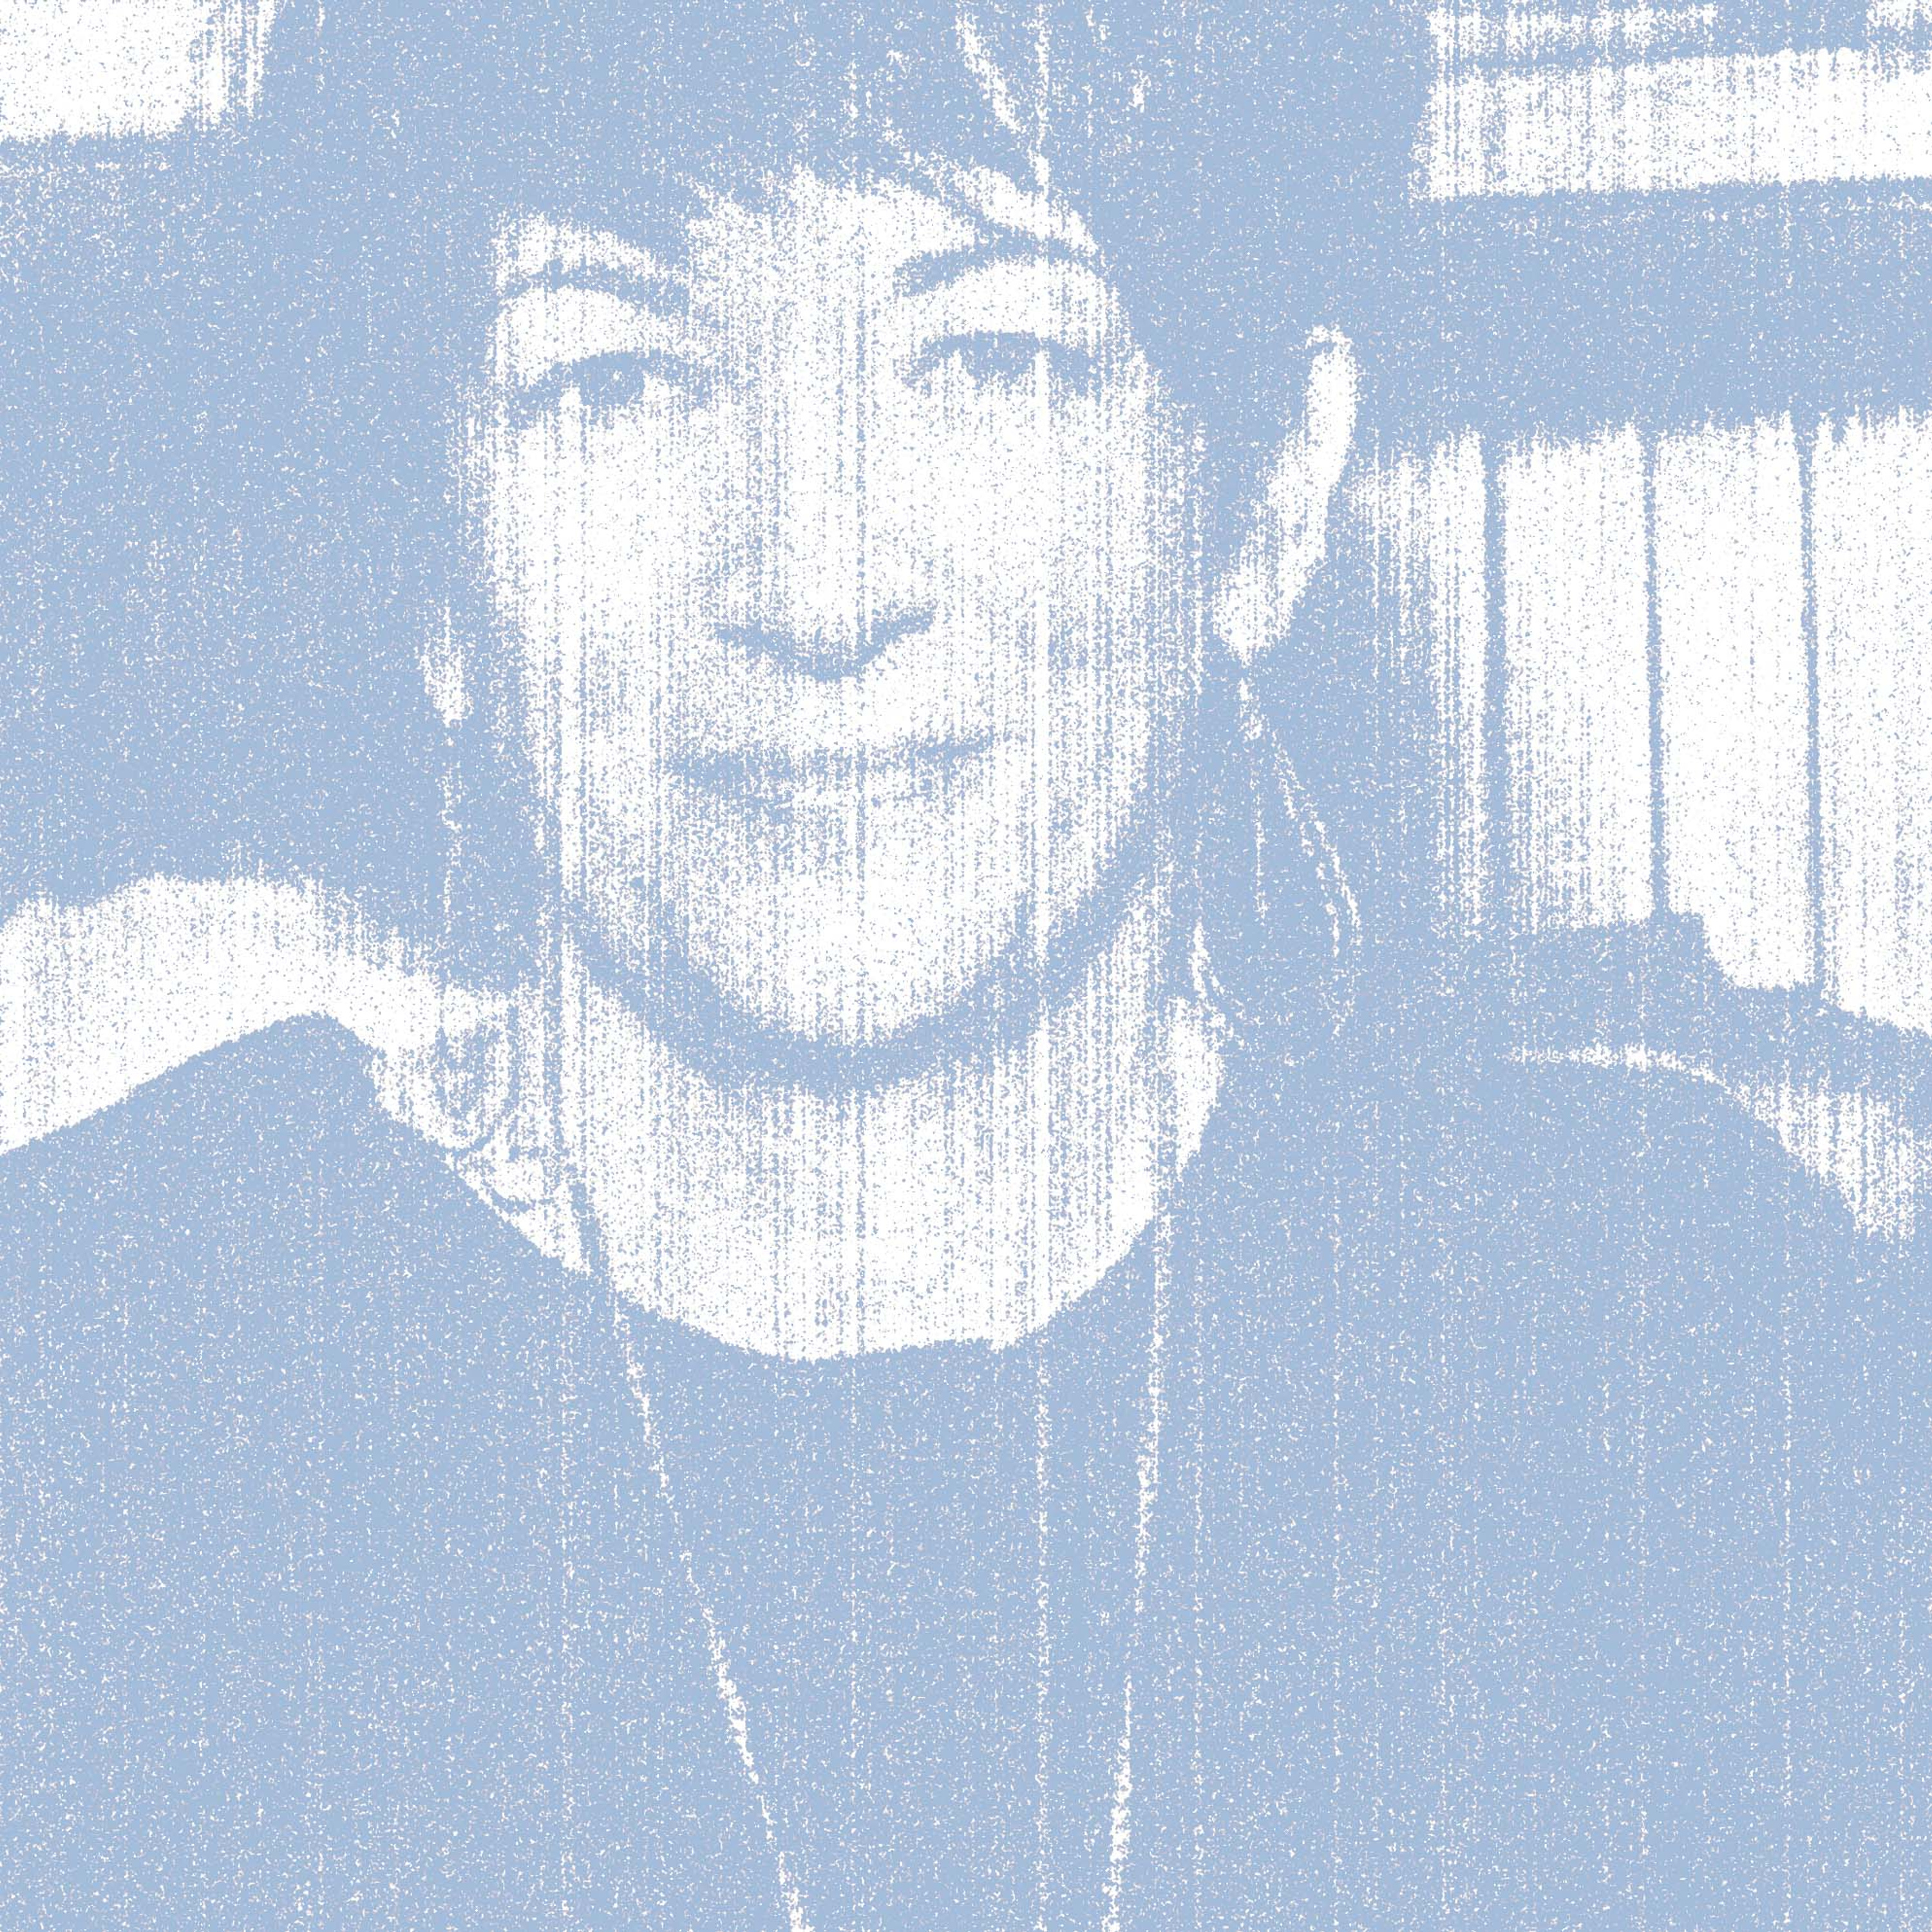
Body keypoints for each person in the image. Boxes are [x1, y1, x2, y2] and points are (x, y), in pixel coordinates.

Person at [1, 5, 1924, 1928]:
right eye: (618, 382)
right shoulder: (91, 1414)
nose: (817, 583)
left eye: (994, 359)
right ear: (429, 556)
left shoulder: (1690, 1376)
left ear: (1266, 494)